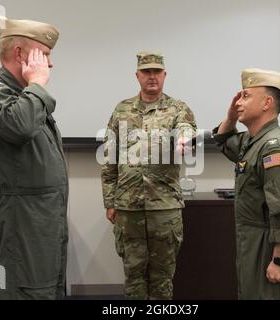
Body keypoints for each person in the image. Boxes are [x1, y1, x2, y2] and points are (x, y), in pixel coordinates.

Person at [0, 18, 68, 300]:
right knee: (21, 292)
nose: (49, 65)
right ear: (19, 54)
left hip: (39, 220)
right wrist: (37, 83)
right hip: (18, 222)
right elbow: (19, 127)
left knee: (46, 289)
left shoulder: (23, 96)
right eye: (44, 55)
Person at [101, 51, 197, 299]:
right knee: (133, 275)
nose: (151, 77)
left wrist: (185, 140)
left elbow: (186, 129)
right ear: (137, 75)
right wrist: (110, 201)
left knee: (162, 277)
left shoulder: (178, 109)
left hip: (163, 208)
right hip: (127, 208)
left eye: (156, 72)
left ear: (165, 75)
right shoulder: (121, 110)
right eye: (146, 72)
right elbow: (109, 160)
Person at [213, 68, 280, 299]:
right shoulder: (253, 140)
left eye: (246, 96)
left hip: (270, 245)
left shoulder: (274, 146)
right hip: (253, 241)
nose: (239, 102)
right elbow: (224, 141)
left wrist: (279, 259)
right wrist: (231, 116)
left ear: (267, 103)